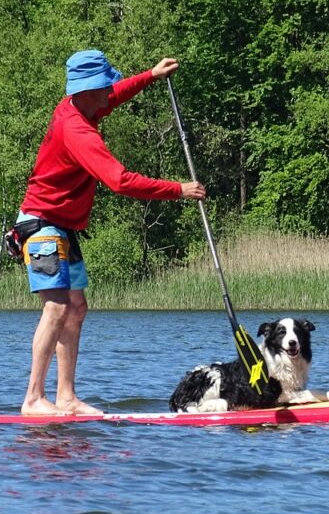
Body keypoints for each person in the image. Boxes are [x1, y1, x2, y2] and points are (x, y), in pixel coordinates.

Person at [15, 49, 205, 415]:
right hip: (40, 226)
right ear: (88, 90)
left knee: (76, 308)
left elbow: (114, 96)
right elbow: (119, 181)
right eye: (104, 86)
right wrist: (178, 190)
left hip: (63, 228)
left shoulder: (82, 106)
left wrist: (150, 75)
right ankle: (33, 398)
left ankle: (66, 397)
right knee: (57, 306)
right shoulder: (77, 131)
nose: (110, 91)